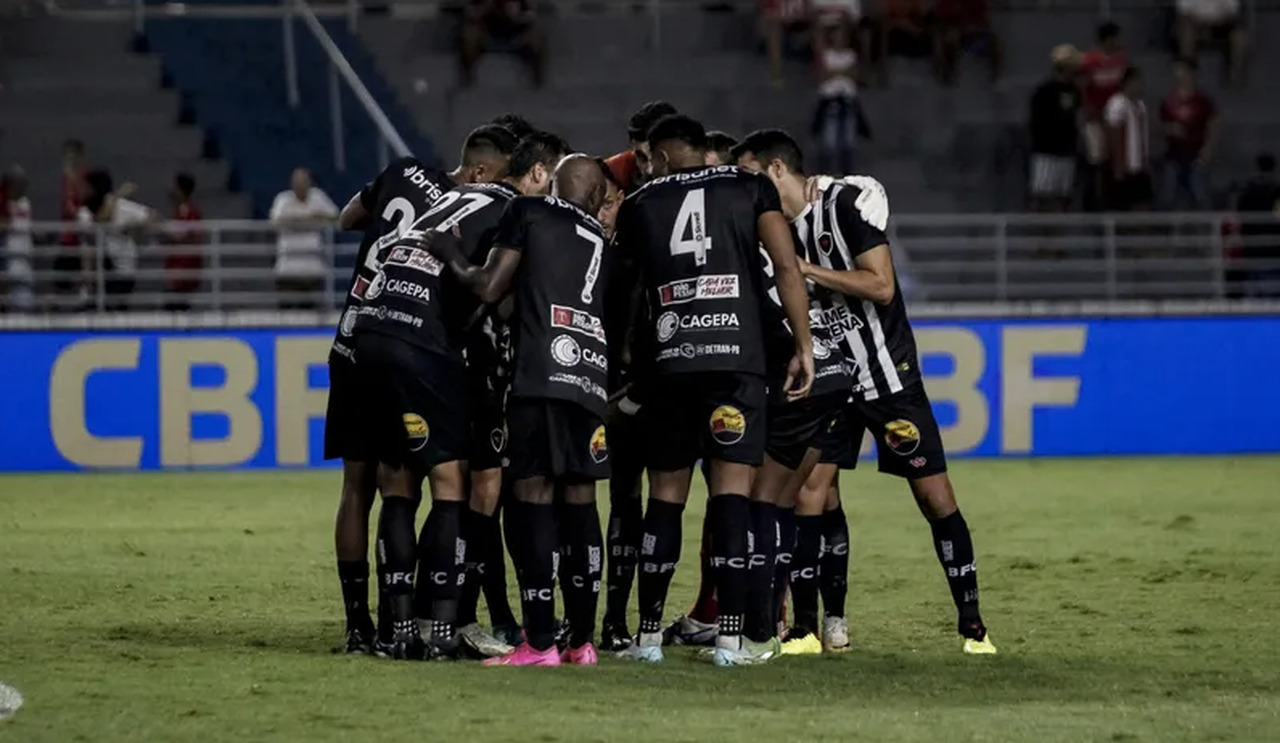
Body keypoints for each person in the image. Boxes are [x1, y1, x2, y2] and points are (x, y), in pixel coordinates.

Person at [762, 138, 998, 654]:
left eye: (758, 177)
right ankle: (810, 628)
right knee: (812, 494)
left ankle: (973, 625)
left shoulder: (847, 204)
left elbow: (883, 286)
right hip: (831, 382)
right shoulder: (774, 232)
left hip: (889, 379)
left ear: (777, 168)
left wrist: (807, 271)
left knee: (936, 500)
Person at [614, 114, 815, 667]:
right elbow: (787, 266)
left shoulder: (640, 202)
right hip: (736, 361)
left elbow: (623, 290)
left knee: (666, 496)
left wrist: (626, 358)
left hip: (670, 363)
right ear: (706, 152)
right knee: (730, 493)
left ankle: (648, 637)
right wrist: (803, 345)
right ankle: (731, 640)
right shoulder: (749, 187)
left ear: (657, 156)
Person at [328, 123, 517, 655]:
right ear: (480, 173)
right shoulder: (477, 206)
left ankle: (365, 627)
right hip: (420, 343)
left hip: (357, 336)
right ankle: (432, 626)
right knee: (437, 479)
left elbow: (346, 219)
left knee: (364, 488)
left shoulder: (402, 172)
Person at [430, 154, 611, 667]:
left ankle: (538, 644)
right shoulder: (600, 237)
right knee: (581, 502)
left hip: (540, 374)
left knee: (531, 496)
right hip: (589, 375)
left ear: (553, 185)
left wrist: (451, 254)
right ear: (598, 198)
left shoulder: (530, 212)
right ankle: (581, 642)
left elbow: (489, 287)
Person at [598, 99, 679, 652]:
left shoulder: (690, 183)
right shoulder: (615, 177)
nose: (642, 161)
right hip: (619, 362)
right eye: (637, 151)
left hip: (670, 364)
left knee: (664, 496)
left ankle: (657, 618)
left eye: (648, 152)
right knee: (622, 496)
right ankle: (613, 618)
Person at [78, 169, 156, 311]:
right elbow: (100, 221)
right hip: (99, 274)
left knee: (116, 310)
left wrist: (134, 227)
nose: (82, 190)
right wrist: (118, 194)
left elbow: (152, 216)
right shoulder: (84, 212)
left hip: (123, 272)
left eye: (86, 187)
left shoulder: (122, 206)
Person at [270, 167, 338, 310]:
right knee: (285, 310)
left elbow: (335, 216)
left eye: (303, 182)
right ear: (292, 184)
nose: (300, 187)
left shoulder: (318, 197)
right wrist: (307, 219)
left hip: (312, 268)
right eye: (297, 183)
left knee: (310, 311)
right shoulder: (283, 200)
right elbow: (275, 222)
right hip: (288, 269)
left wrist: (315, 217)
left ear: (309, 183)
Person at [1028, 44, 1083, 211]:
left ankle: (1059, 234)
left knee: (1064, 198)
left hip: (1067, 152)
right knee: (1042, 198)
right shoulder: (1044, 91)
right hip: (1046, 153)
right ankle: (1040, 235)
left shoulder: (1075, 91)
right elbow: (1035, 123)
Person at [1079, 22, 1128, 210]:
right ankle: (1092, 203)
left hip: (1115, 118)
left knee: (1115, 160)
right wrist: (1089, 111)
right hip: (1095, 119)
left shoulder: (1121, 60)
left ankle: (1114, 201)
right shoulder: (1089, 61)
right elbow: (1082, 88)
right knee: (1096, 160)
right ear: (1107, 39)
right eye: (1116, 38)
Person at [812, 19, 870, 175]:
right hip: (829, 103)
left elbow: (857, 75)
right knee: (828, 142)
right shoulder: (825, 55)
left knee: (848, 142)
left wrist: (835, 72)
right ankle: (824, 175)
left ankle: (847, 175)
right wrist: (844, 72)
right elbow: (821, 75)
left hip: (848, 102)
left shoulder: (852, 55)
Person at [1160, 58, 1218, 210]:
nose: (1179, 75)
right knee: (1169, 198)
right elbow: (1160, 127)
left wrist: (1205, 156)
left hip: (1196, 157)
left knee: (1200, 198)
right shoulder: (1168, 102)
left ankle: (1204, 231)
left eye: (1183, 71)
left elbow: (1213, 128)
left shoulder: (1204, 101)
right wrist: (1169, 129)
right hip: (1174, 157)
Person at [460, 0, 544, 88]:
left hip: (514, 36)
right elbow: (469, 12)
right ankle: (466, 73)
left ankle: (537, 74)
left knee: (534, 35)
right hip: (487, 35)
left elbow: (532, 14)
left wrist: (518, 17)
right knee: (470, 32)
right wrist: (483, 9)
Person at [1231, 153, 1280, 297]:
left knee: (1257, 291)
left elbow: (1238, 215)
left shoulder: (1248, 192)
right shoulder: (1275, 192)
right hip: (1270, 248)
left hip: (1256, 247)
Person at [1104, 67, 1152, 211]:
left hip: (1139, 166)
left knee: (1143, 205)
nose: (1138, 86)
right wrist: (1117, 166)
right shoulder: (1116, 104)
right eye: (1135, 82)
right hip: (1123, 167)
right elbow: (1113, 136)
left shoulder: (1141, 106)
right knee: (1122, 207)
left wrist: (1145, 160)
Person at [1175, 0, 1245, 85]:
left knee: (1239, 35)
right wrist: (1200, 20)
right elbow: (1183, 12)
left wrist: (1219, 20)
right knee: (1186, 31)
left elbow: (1233, 12)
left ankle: (1236, 75)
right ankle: (1187, 75)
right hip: (1196, 26)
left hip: (1221, 25)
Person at [934, 0, 1001, 85]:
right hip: (953, 34)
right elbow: (939, 25)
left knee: (995, 42)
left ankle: (994, 76)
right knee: (950, 37)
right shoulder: (946, 3)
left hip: (973, 34)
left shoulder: (978, 3)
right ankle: (947, 71)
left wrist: (975, 28)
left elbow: (985, 22)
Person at [55, 139, 88, 308]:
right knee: (62, 276)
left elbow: (79, 201)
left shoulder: (83, 176)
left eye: (71, 154)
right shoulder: (66, 176)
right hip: (68, 233)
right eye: (66, 155)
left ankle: (84, 298)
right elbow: (67, 204)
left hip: (81, 231)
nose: (68, 158)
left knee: (84, 266)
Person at [164, 173, 203, 310]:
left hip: (184, 266)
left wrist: (161, 228)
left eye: (175, 188)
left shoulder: (190, 212)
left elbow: (182, 236)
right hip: (178, 266)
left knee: (177, 306)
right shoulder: (181, 211)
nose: (171, 191)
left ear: (181, 190)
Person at [1, 167, 34, 312]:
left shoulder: (25, 203)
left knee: (24, 300)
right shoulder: (2, 202)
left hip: (25, 257)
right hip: (7, 256)